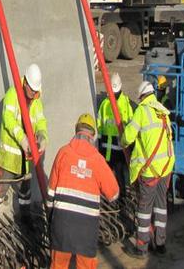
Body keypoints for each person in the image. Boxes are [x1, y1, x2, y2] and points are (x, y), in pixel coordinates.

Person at [47, 114, 119, 269]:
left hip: (62, 224)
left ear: (76, 131)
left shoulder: (63, 153)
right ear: (92, 135)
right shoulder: (97, 160)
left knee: (58, 265)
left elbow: (50, 192)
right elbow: (113, 194)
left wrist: (50, 217)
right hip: (87, 229)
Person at [0, 63, 47, 235]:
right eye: (32, 90)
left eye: (36, 91)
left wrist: (42, 136)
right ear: (25, 82)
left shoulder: (36, 100)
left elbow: (41, 121)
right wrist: (23, 139)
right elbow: (9, 120)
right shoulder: (13, 95)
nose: (34, 94)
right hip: (8, 159)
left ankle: (25, 219)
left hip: (24, 161)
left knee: (25, 193)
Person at [121, 81, 175, 259]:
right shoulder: (162, 112)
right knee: (161, 207)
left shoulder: (142, 111)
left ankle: (141, 248)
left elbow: (128, 136)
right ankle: (160, 244)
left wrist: (122, 141)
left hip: (150, 171)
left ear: (142, 96)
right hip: (165, 168)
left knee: (144, 209)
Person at [96, 72, 134, 198]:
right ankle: (108, 199)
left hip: (119, 150)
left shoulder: (125, 104)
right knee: (105, 178)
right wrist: (99, 144)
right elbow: (100, 124)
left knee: (119, 178)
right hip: (107, 149)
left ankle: (121, 201)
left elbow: (130, 126)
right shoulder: (105, 104)